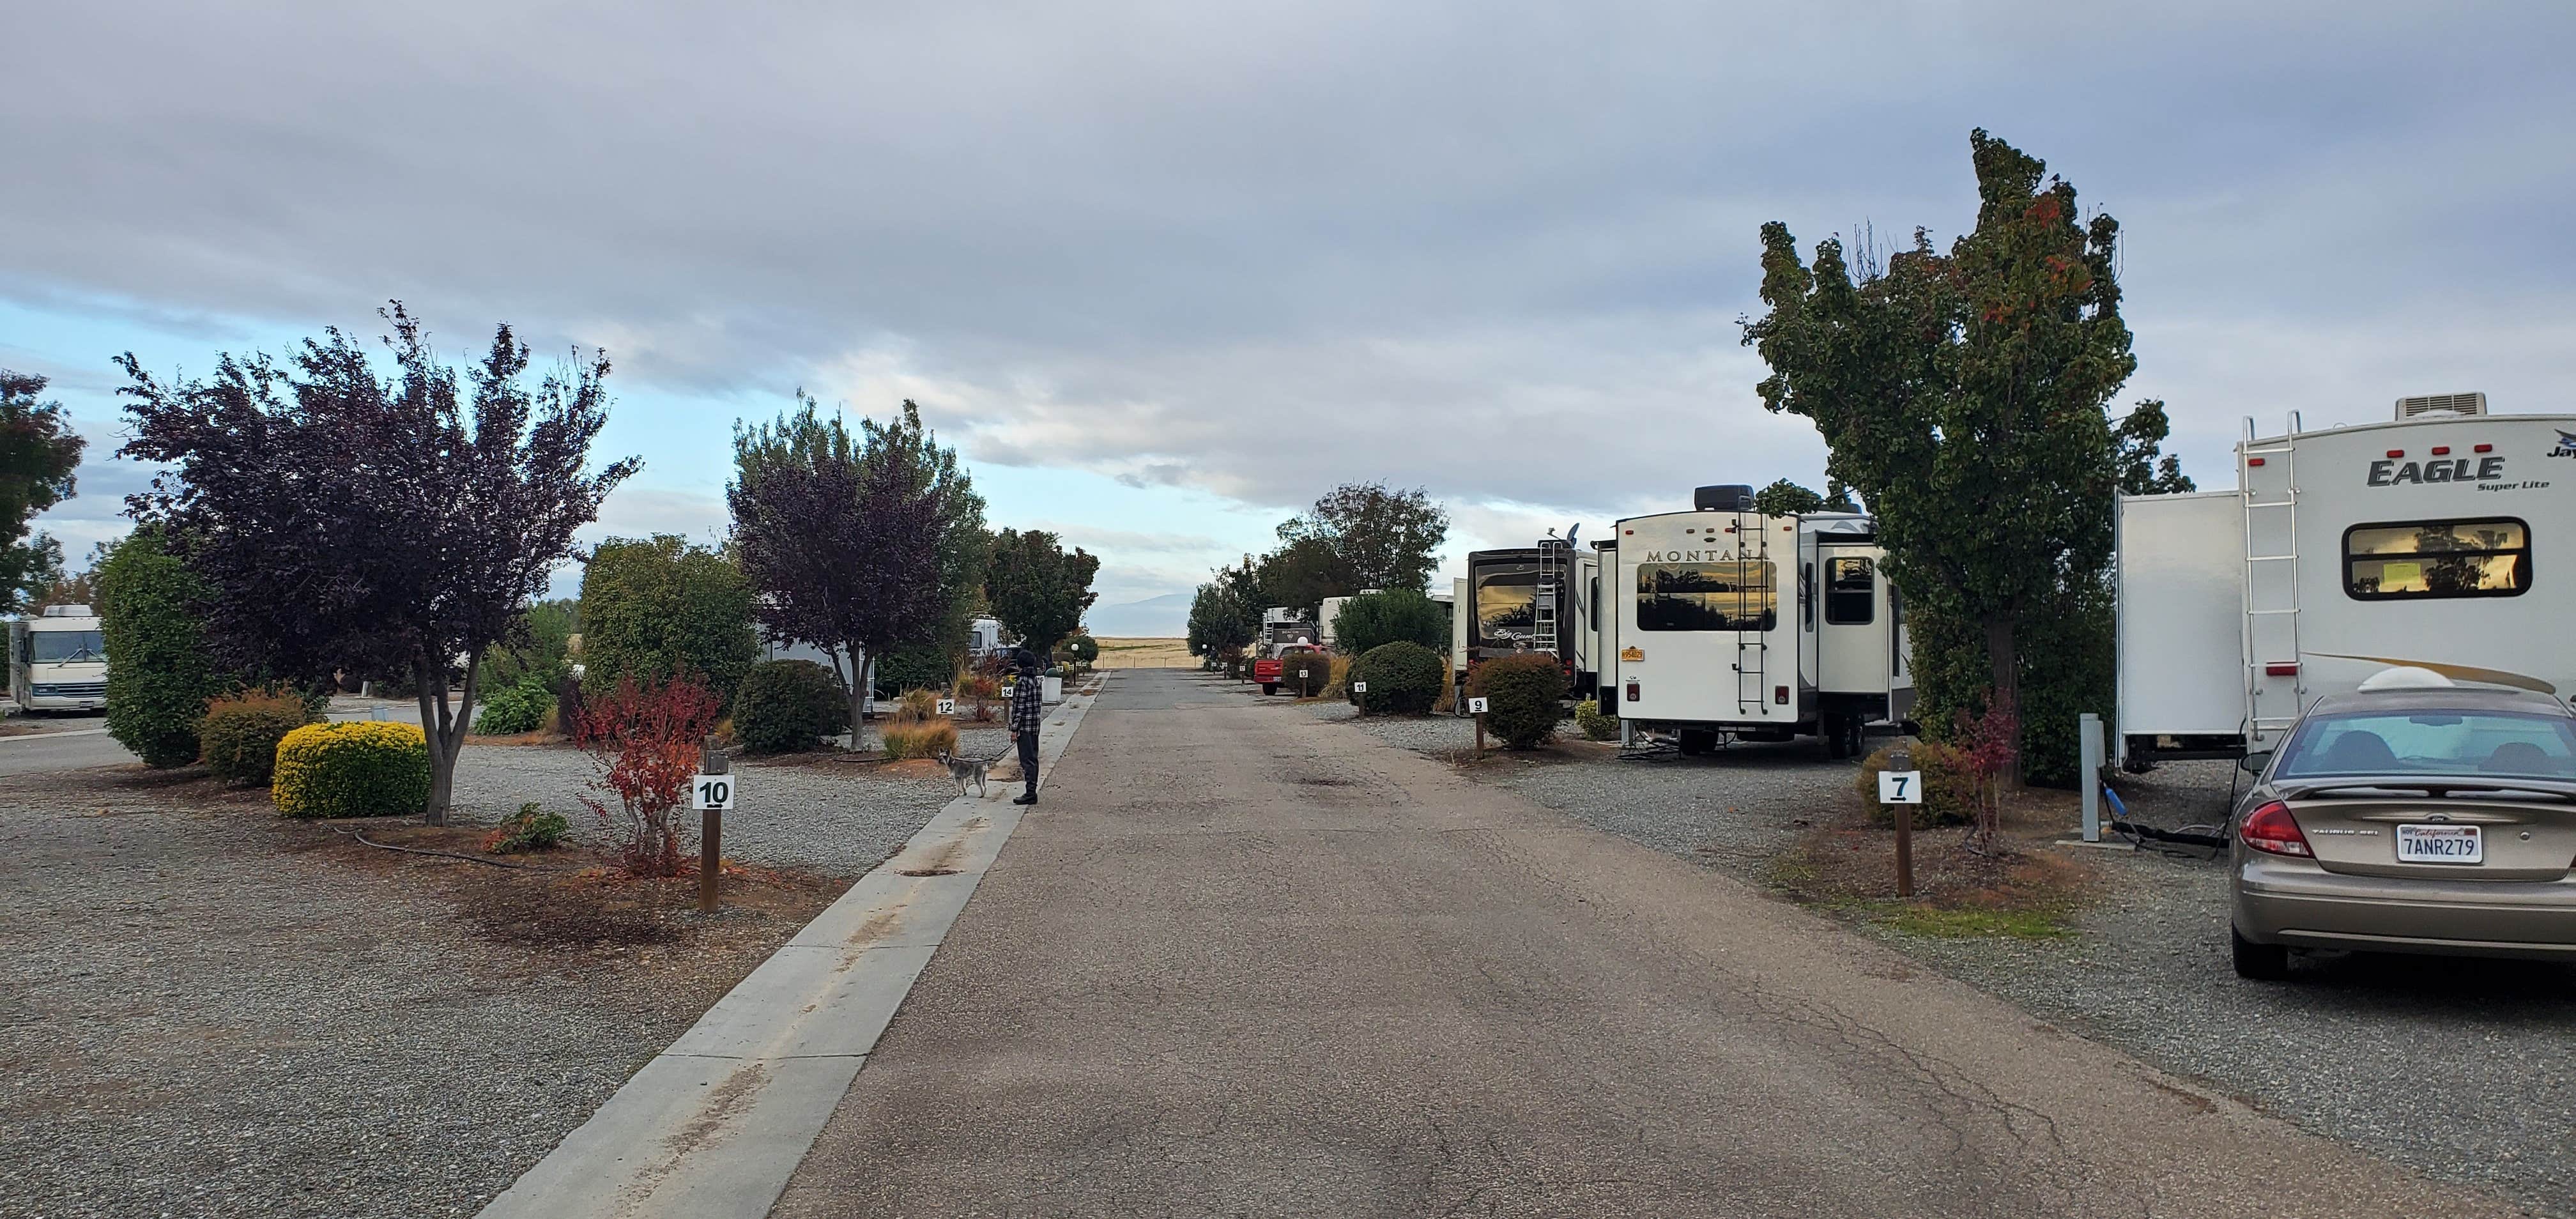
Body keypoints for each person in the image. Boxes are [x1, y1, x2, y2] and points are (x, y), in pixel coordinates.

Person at [1009, 647, 1045, 805]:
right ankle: (1032, 790)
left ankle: (1030, 794)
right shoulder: (1035, 679)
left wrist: (1014, 729)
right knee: (1033, 758)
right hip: (1035, 725)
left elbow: (1018, 707)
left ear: (1019, 664)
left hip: (1024, 727)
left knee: (1027, 760)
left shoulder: (1022, 681)